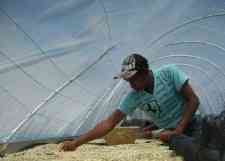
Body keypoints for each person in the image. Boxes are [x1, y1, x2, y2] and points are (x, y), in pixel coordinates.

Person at [60, 53, 200, 152]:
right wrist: (76, 143)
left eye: (133, 80)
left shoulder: (169, 73)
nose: (131, 85)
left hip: (192, 125)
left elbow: (193, 100)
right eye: (128, 81)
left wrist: (179, 129)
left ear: (145, 72)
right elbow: (109, 123)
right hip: (171, 134)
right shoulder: (134, 97)